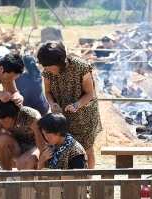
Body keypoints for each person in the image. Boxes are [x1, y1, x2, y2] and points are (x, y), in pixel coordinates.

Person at [37, 41, 103, 176]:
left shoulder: (81, 67)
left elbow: (90, 94)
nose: (48, 69)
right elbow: (48, 92)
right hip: (62, 115)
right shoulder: (47, 73)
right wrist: (52, 104)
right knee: (66, 147)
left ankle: (88, 183)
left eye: (50, 66)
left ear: (60, 61)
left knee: (87, 148)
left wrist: (76, 105)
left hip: (85, 114)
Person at [0, 98, 45, 170]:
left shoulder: (33, 118)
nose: (3, 122)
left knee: (22, 164)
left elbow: (42, 148)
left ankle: (33, 167)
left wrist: (42, 169)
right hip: (17, 149)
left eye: (6, 118)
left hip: (34, 148)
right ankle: (7, 177)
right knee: (0, 139)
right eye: (0, 119)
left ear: (15, 114)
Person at [38, 113, 87, 178]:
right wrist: (41, 161)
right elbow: (42, 177)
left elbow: (80, 177)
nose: (46, 137)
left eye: (48, 134)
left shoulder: (76, 150)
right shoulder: (49, 146)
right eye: (44, 134)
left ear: (59, 132)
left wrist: (54, 175)